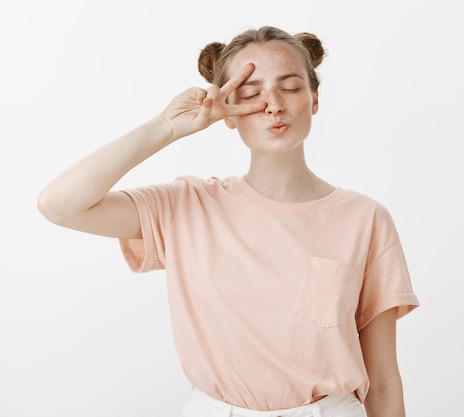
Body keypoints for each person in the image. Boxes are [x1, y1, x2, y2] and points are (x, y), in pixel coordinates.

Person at [38, 25, 419, 417]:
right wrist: (166, 127)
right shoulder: (186, 206)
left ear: (314, 98)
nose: (273, 105)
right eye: (252, 94)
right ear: (228, 115)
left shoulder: (365, 219)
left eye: (289, 87)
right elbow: (60, 205)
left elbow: (385, 380)